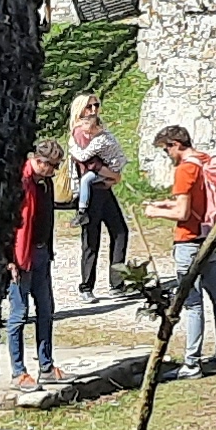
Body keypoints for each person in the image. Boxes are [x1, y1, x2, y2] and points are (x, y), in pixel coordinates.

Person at [150, 122, 216, 372]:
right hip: (210, 236)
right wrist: (167, 204)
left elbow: (184, 211)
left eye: (166, 151)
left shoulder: (185, 170)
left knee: (192, 303)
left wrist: (155, 211)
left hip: (188, 241)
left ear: (175, 145)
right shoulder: (205, 160)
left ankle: (191, 362)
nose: (167, 156)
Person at [3, 138, 61, 391]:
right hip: (20, 257)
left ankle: (46, 367)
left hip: (41, 253)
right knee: (18, 314)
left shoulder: (44, 183)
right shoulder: (20, 182)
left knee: (46, 310)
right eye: (52, 166)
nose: (55, 171)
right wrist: (9, 261)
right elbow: (7, 223)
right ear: (39, 161)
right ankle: (18, 372)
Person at [66, 93, 133, 300]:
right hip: (91, 190)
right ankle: (86, 287)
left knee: (120, 231)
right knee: (91, 239)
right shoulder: (80, 131)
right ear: (80, 110)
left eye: (96, 105)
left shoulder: (96, 127)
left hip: (103, 188)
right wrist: (113, 174)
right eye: (89, 106)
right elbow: (89, 163)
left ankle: (117, 283)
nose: (94, 109)